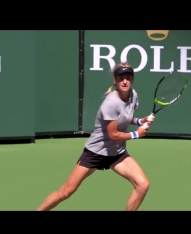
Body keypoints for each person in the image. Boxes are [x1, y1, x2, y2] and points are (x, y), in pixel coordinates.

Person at [37, 62, 154, 211]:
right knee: (66, 191)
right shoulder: (110, 103)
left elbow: (126, 117)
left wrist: (139, 121)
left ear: (132, 79)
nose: (125, 81)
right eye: (121, 78)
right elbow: (113, 134)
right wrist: (136, 134)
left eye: (128, 77)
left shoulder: (133, 95)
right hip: (95, 152)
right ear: (115, 80)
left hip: (116, 153)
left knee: (142, 185)